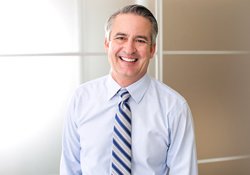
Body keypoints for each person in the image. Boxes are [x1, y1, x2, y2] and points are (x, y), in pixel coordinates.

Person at [60, 4, 198, 175]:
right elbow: (70, 169)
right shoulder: (80, 98)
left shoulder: (174, 108)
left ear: (152, 49)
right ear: (106, 44)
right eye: (121, 38)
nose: (129, 49)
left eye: (140, 40)